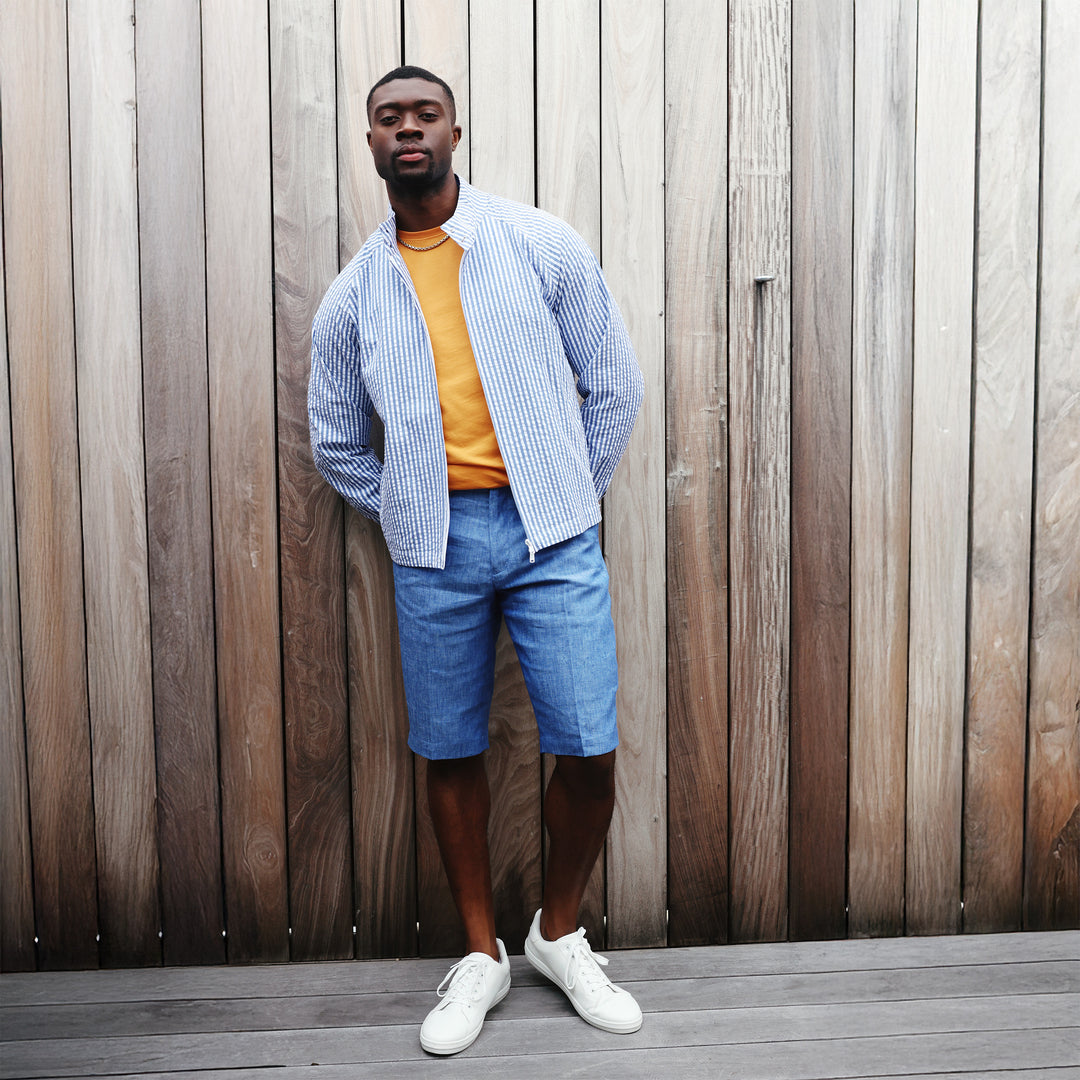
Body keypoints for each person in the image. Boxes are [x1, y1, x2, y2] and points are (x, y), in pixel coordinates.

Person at [308, 65, 644, 1056]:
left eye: (424, 114)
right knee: (448, 746)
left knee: (586, 741)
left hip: (551, 535)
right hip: (434, 547)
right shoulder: (352, 300)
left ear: (456, 128)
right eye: (387, 118)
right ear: (370, 143)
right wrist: (410, 504)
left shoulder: (537, 243)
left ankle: (558, 931)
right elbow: (334, 443)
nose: (406, 129)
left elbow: (613, 384)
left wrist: (561, 493)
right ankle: (481, 956)